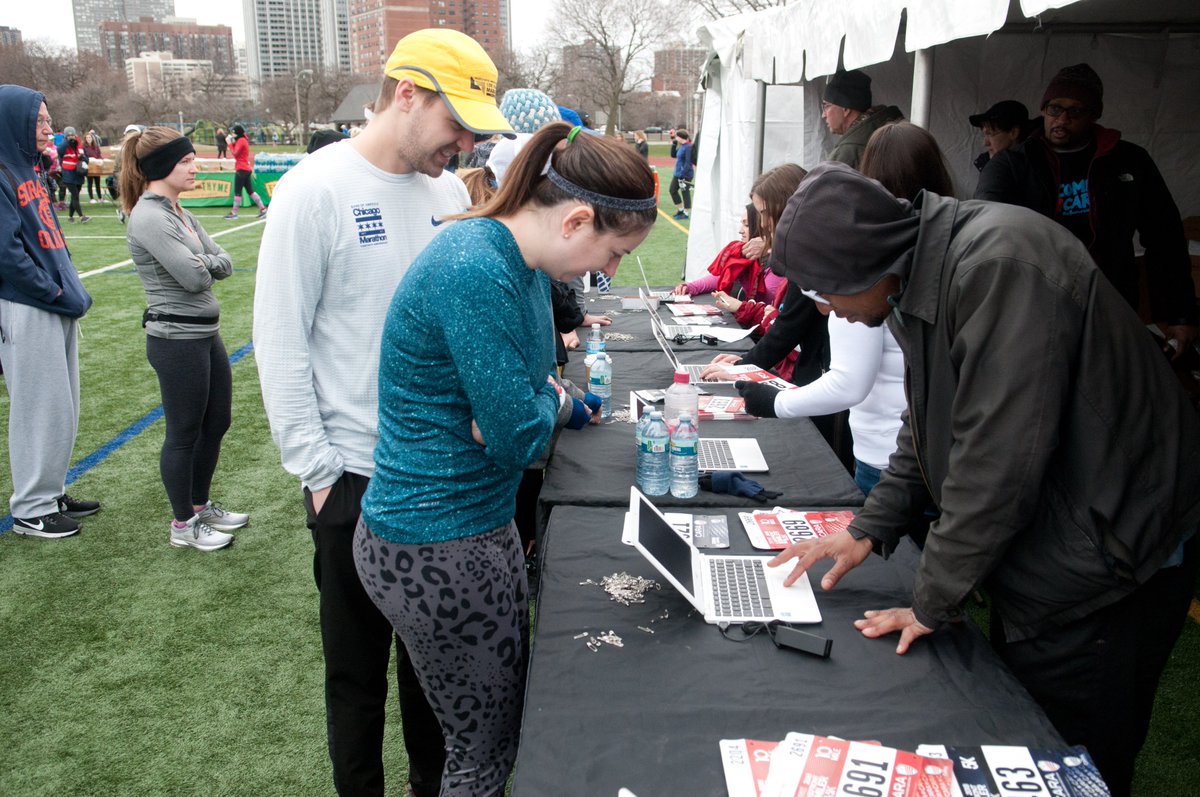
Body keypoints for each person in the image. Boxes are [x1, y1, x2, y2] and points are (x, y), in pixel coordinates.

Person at [768, 160, 1200, 797]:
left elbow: (998, 461)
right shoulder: (921, 276)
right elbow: (931, 423)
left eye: (824, 291)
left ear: (864, 264)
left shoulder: (998, 265)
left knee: (1071, 756)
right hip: (1068, 537)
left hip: (1110, 553)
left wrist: (930, 597)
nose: (828, 310)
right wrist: (868, 528)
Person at [355, 120, 657, 796]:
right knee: (483, 755)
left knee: (488, 737)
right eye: (612, 253)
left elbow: (531, 397)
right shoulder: (477, 267)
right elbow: (521, 436)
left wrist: (535, 404)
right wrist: (535, 407)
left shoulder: (516, 263)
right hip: (438, 543)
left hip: (462, 528)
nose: (606, 274)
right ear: (576, 219)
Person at [254, 28, 510, 797]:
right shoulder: (315, 189)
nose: (464, 142)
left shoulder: (444, 195)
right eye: (455, 122)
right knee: (357, 675)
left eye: (474, 128)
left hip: (441, 479)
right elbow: (280, 339)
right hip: (356, 478)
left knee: (434, 673)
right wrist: (320, 473)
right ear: (406, 93)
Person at [975, 63, 1198, 356]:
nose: (1062, 119)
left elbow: (1164, 237)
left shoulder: (1129, 161)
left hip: (1110, 304)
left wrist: (1180, 316)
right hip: (1034, 307)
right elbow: (983, 235)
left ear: (1094, 115)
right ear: (1042, 110)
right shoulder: (1012, 165)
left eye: (1075, 111)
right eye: (1055, 109)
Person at [121, 126, 249, 551]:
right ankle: (183, 525)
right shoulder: (149, 215)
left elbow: (224, 262)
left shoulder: (178, 211)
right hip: (175, 340)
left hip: (205, 335)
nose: (195, 167)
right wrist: (206, 262)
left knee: (218, 422)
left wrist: (206, 261)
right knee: (183, 432)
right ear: (162, 168)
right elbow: (194, 277)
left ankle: (199, 505)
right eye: (186, 161)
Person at [0, 84, 99, 538]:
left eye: (47, 119)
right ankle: (31, 508)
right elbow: (8, 254)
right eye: (38, 121)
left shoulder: (31, 168)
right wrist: (54, 293)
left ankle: (51, 490)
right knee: (38, 407)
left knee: (62, 406)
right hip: (26, 304)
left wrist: (67, 287)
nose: (47, 129)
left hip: (52, 301)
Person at [673, 203, 780, 302]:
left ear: (761, 226)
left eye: (746, 225)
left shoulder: (775, 263)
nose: (740, 230)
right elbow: (722, 276)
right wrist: (691, 287)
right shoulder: (742, 254)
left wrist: (746, 276)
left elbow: (766, 302)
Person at [821, 69, 904, 168]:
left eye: (826, 106)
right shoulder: (898, 135)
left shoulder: (849, 152)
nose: (823, 115)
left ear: (846, 109)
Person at [967, 99, 1032, 171]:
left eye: (990, 134)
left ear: (1013, 132)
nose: (985, 143)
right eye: (984, 135)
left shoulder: (1034, 166)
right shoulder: (987, 163)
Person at [222, 124, 267, 220]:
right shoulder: (243, 140)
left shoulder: (241, 141)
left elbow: (235, 153)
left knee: (237, 191)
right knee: (250, 191)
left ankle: (234, 212)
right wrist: (233, 143)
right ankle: (263, 209)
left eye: (233, 133)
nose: (232, 135)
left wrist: (230, 143)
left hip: (241, 169)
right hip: (246, 168)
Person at [58, 130, 90, 223]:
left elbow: (87, 160)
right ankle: (82, 217)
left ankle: (70, 217)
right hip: (68, 174)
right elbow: (60, 151)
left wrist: (82, 158)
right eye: (69, 135)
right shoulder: (63, 145)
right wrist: (68, 142)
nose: (71, 137)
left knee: (74, 196)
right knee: (75, 196)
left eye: (73, 135)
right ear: (66, 136)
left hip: (79, 174)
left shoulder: (80, 145)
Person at [668, 128, 694, 219]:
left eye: (677, 137)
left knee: (685, 193)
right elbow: (673, 155)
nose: (676, 138)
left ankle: (686, 214)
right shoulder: (682, 146)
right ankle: (681, 209)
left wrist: (683, 174)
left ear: (681, 137)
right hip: (677, 174)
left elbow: (688, 162)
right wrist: (674, 144)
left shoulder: (688, 147)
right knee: (672, 190)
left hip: (685, 174)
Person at [82, 130, 103, 203]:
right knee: (90, 183)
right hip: (89, 167)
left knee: (98, 183)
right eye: (87, 138)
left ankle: (100, 198)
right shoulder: (84, 147)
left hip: (97, 166)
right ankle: (91, 198)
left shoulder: (96, 146)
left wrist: (100, 160)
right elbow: (84, 156)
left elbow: (99, 155)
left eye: (90, 137)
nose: (89, 139)